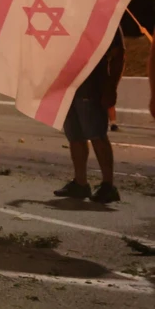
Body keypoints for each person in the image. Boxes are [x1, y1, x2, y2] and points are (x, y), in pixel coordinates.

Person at [55, 29, 123, 204]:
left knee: (97, 134)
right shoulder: (67, 17)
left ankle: (108, 185)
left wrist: (111, 87)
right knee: (74, 135)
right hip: (67, 86)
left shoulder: (105, 17)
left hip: (91, 86)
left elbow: (118, 54)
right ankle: (80, 183)